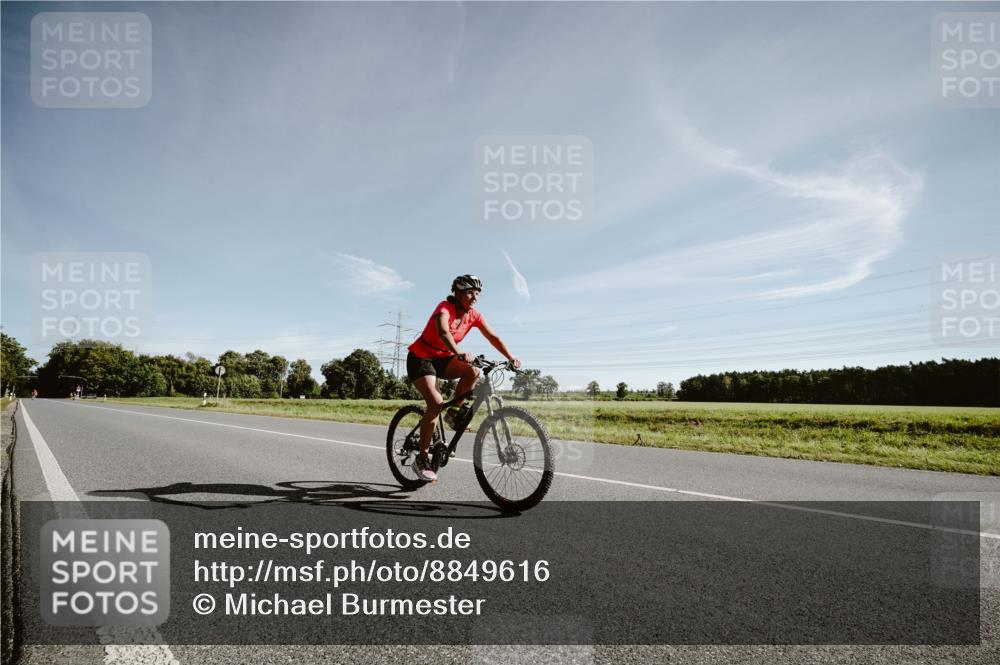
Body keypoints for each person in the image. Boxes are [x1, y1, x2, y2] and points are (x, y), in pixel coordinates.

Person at [406, 274, 521, 481]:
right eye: (469, 292)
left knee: (473, 370)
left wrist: (511, 357)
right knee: (435, 403)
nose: (474, 297)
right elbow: (443, 332)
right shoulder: (444, 308)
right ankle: (422, 458)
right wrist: (459, 352)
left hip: (444, 360)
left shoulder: (474, 315)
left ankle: (454, 413)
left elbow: (493, 337)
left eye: (477, 293)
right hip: (421, 359)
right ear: (457, 293)